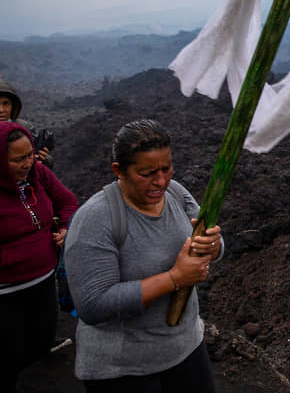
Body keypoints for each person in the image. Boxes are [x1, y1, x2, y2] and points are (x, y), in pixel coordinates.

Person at [64, 119, 224, 391]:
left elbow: (212, 241)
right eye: (146, 173)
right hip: (125, 369)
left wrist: (214, 245)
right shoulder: (96, 219)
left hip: (186, 350)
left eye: (166, 168)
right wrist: (175, 277)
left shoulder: (176, 193)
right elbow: (93, 305)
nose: (160, 181)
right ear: (119, 170)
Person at [0, 122, 78, 392]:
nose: (26, 164)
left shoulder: (39, 175)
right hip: (6, 294)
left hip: (44, 283)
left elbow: (67, 201)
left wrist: (66, 227)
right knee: (9, 358)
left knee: (39, 346)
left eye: (30, 155)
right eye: (17, 159)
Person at [0, 76, 55, 168]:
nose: (1, 110)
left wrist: (43, 160)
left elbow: (47, 161)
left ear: (14, 106)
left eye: (6, 103)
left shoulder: (23, 128)